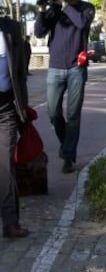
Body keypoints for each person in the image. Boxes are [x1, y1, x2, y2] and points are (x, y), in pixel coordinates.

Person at [34, 0, 95, 173]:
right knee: (53, 114)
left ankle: (68, 157)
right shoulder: (56, 10)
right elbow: (39, 32)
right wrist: (43, 9)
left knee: (73, 115)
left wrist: (65, 5)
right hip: (55, 68)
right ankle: (67, 147)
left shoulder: (86, 8)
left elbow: (81, 24)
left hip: (77, 68)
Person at [0, 16, 30, 238]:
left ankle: (11, 222)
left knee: (5, 166)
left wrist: (23, 106)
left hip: (6, 107)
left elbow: (20, 70)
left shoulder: (11, 28)